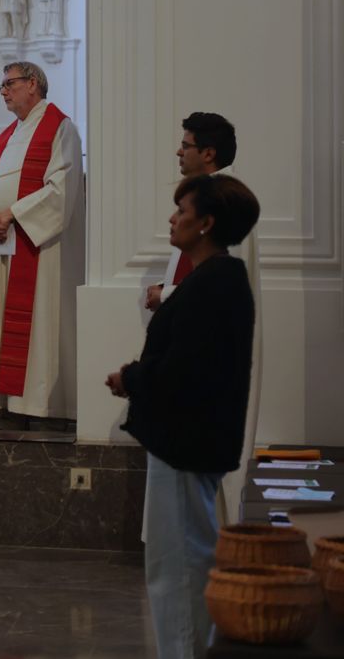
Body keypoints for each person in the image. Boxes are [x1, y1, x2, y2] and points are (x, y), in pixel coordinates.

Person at [106, 174, 260, 659]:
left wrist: (130, 378)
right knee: (185, 556)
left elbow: (185, 370)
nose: (173, 219)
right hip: (191, 439)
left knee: (179, 565)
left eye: (182, 211)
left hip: (186, 440)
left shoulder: (213, 284)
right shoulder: (216, 278)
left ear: (207, 223)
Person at [144, 112, 261, 525]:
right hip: (181, 383)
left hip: (202, 387)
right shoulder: (201, 198)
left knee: (198, 519)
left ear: (208, 153)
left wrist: (167, 295)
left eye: (186, 144)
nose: (179, 150)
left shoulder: (223, 204)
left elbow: (218, 289)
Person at [0, 61, 85, 424]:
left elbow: (61, 188)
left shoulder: (60, 128)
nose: (3, 91)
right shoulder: (5, 136)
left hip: (38, 249)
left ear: (32, 84)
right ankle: (6, 401)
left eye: (8, 84)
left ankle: (39, 405)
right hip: (4, 245)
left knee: (39, 324)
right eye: (1, 86)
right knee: (4, 321)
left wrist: (14, 214)